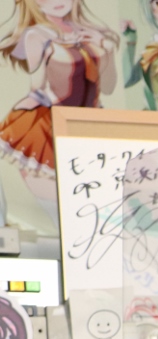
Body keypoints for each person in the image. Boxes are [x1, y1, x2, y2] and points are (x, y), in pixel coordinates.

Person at [0, 0, 118, 203]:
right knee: (63, 200)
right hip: (54, 122)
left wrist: (106, 48)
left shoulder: (92, 33)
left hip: (92, 122)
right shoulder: (37, 35)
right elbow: (37, 85)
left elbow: (108, 87)